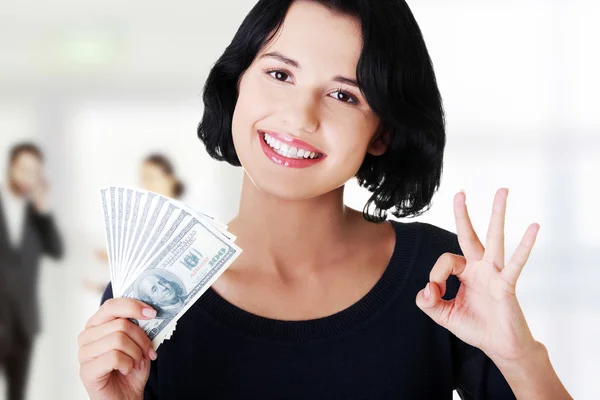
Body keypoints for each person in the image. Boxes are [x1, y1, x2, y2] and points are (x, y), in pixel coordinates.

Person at [77, 1, 573, 399]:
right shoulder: (150, 296)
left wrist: (519, 356)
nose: (300, 117)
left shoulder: (442, 277)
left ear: (382, 132)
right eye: (280, 75)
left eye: (344, 96)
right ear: (237, 83)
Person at [0, 142, 64, 400]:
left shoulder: (37, 216)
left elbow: (57, 251)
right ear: (12, 168)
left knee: (18, 395)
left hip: (24, 325)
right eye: (25, 169)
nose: (29, 177)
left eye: (35, 171)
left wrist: (44, 209)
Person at [84, 154, 186, 294]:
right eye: (143, 179)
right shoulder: (142, 219)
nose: (146, 185)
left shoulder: (181, 219)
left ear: (170, 180)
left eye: (151, 178)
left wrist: (116, 258)